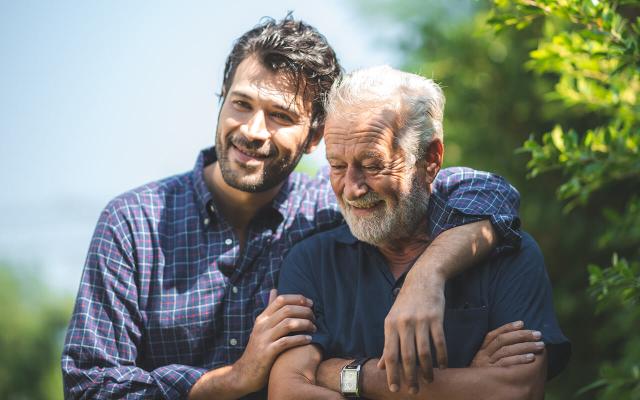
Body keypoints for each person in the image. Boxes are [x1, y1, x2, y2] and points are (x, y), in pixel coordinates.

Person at [61, 17, 522, 400]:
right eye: (241, 104)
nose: (254, 130)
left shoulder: (336, 206)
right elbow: (89, 385)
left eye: (280, 116)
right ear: (221, 99)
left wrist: (429, 275)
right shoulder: (132, 223)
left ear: (316, 136)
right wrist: (234, 378)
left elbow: (489, 194)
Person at [270, 66, 571, 399]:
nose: (352, 189)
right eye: (337, 166)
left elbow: (517, 390)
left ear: (430, 158)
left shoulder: (506, 254)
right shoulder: (312, 262)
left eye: (372, 165)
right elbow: (288, 392)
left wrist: (342, 373)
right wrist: (467, 380)